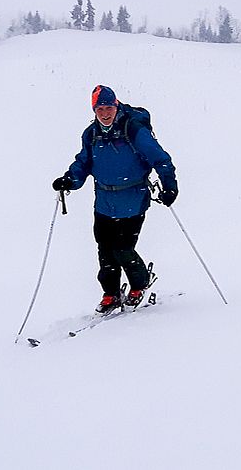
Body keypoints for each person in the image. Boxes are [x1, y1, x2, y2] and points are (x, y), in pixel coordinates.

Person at [52, 85, 178, 313]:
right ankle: (110, 293)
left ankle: (139, 284)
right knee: (105, 249)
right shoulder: (91, 134)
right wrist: (69, 180)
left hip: (133, 197)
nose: (105, 113)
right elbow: (83, 163)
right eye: (99, 109)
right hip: (103, 201)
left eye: (108, 107)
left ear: (116, 105)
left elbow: (160, 158)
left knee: (123, 248)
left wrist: (169, 186)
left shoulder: (133, 130)